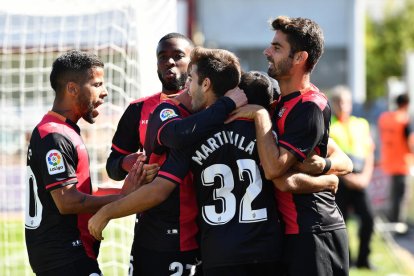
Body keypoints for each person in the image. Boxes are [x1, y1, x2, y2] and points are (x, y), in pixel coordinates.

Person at [89, 47, 349, 275]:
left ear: (205, 84)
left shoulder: (193, 133)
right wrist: (328, 177)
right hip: (268, 248)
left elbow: (160, 189)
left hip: (218, 252)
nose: (186, 87)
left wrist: (107, 213)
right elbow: (295, 172)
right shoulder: (270, 131)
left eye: (190, 79)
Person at [228, 16, 350, 275]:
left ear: (299, 58)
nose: (267, 52)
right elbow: (341, 158)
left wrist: (260, 116)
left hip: (314, 232)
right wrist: (329, 172)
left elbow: (275, 171)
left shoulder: (310, 106)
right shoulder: (279, 102)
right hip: (287, 232)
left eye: (277, 47)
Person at [25, 50, 145, 276]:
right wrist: (122, 200)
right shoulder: (54, 135)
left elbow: (84, 190)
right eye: (97, 84)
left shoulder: (63, 130)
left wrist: (128, 191)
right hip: (64, 257)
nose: (105, 92)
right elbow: (67, 201)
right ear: (72, 88)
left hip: (67, 255)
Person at [330, 85, 375, 269]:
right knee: (341, 224)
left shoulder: (361, 124)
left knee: (368, 219)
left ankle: (364, 260)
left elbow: (370, 153)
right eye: (339, 102)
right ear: (333, 104)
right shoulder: (329, 125)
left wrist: (364, 177)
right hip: (340, 179)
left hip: (361, 178)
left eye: (346, 102)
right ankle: (346, 261)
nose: (343, 106)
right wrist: (347, 178)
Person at [378, 93, 413, 224]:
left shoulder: (385, 118)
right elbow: (410, 142)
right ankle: (398, 224)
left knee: (393, 195)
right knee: (402, 196)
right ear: (406, 104)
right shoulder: (404, 120)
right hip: (403, 163)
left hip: (388, 162)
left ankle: (392, 219)